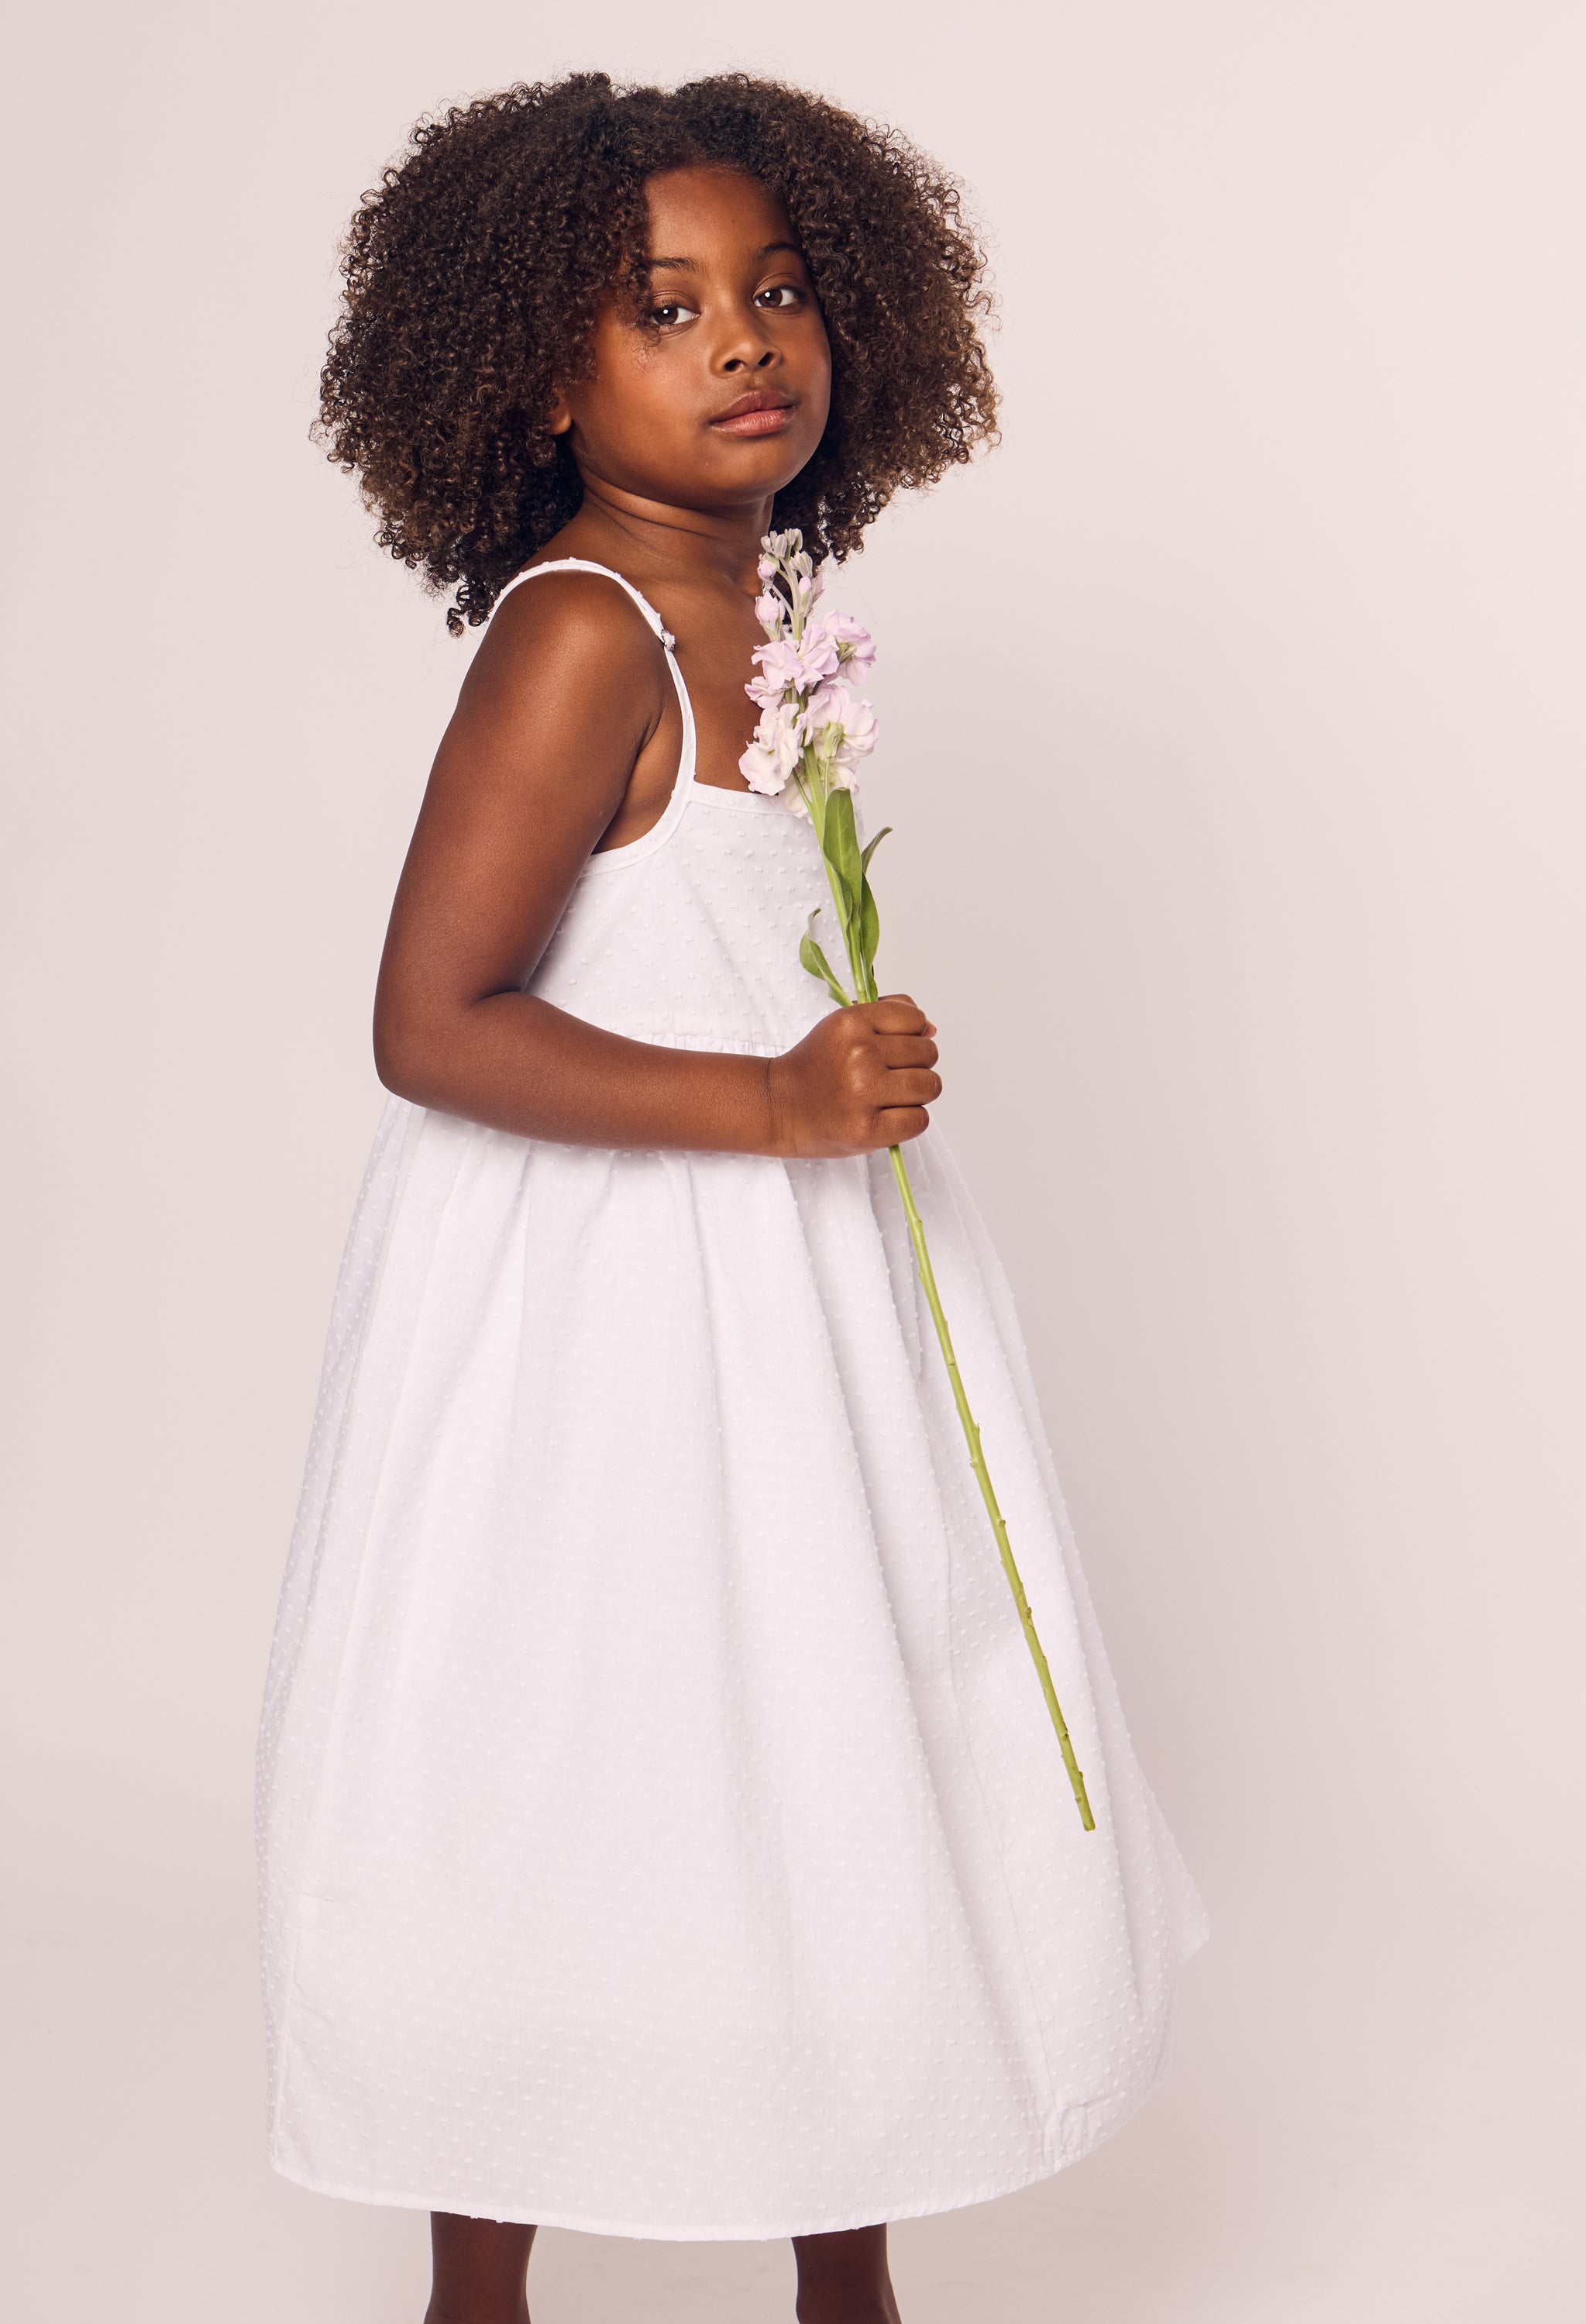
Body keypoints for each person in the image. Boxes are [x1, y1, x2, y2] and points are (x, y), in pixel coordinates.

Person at [256, 71, 1207, 2324]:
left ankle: (840, 2258)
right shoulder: (581, 634)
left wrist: (824, 1100)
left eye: (776, 292)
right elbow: (433, 1018)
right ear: (538, 368)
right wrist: (778, 1102)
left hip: (783, 1290)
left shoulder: (769, 611)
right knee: (570, 1735)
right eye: (664, 309)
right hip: (594, 1309)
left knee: (818, 1733)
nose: (745, 340)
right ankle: (476, 2279)